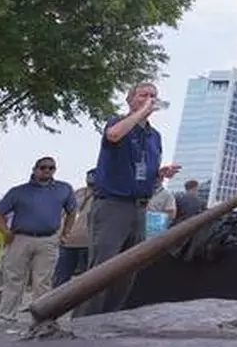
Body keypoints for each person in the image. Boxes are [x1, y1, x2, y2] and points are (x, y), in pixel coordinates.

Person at [76, 81, 179, 318]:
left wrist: (161, 173)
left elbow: (145, 171)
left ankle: (109, 318)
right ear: (130, 99)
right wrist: (141, 112)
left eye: (154, 95)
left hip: (140, 207)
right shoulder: (117, 123)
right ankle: (83, 321)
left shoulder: (154, 136)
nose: (150, 99)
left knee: (128, 268)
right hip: (113, 206)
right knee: (103, 267)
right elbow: (113, 136)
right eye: (144, 95)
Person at [0, 157, 76, 322]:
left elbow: (72, 211)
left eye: (51, 168)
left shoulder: (64, 189)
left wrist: (65, 233)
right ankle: (6, 316)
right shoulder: (18, 192)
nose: (47, 171)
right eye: (43, 167)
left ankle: (42, 317)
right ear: (35, 169)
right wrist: (5, 232)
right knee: (14, 278)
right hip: (20, 238)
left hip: (48, 239)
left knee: (43, 281)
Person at [53, 169, 95, 287]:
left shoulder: (104, 195)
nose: (90, 178)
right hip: (68, 241)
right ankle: (56, 302)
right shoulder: (78, 193)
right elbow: (62, 212)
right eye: (89, 176)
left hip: (88, 242)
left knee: (88, 278)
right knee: (61, 278)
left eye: (93, 176)